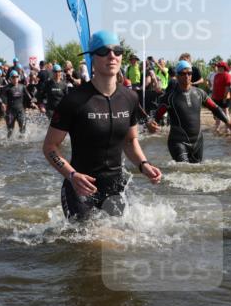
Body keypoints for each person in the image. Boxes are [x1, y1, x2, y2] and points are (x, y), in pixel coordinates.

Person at [42, 30, 161, 221]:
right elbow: (50, 147)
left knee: (123, 237)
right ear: (92, 58)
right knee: (88, 238)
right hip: (80, 186)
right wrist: (72, 175)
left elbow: (130, 141)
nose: (112, 56)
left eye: (117, 51)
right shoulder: (74, 100)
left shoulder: (130, 98)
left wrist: (143, 164)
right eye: (104, 51)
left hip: (115, 186)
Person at [146, 60, 231, 163]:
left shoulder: (200, 93)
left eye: (189, 73)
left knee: (196, 171)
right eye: (183, 73)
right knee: (183, 170)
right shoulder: (170, 97)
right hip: (178, 142)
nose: (187, 76)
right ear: (177, 76)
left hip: (198, 142)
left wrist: (227, 122)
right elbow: (156, 116)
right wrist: (151, 124)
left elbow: (215, 108)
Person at [2, 70, 33, 138]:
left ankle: (22, 142)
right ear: (10, 78)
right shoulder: (7, 88)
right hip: (10, 111)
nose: (15, 78)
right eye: (13, 77)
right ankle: (9, 143)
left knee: (22, 129)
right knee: (10, 131)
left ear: (18, 77)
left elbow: (29, 96)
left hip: (20, 110)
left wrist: (33, 102)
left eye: (16, 77)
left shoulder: (22, 87)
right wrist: (3, 104)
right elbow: (2, 97)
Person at [210, 61, 231, 133]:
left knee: (225, 112)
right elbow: (214, 87)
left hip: (225, 97)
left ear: (223, 67)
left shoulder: (227, 75)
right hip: (216, 97)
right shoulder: (216, 75)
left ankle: (228, 128)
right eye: (218, 66)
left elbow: (227, 87)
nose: (218, 68)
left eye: (219, 67)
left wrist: (224, 98)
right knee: (217, 113)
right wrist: (212, 97)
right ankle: (217, 128)